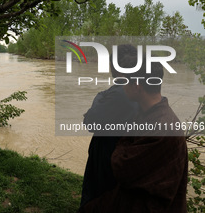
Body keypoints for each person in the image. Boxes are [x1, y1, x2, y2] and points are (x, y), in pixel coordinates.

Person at [80, 58, 188, 213]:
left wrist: (120, 146)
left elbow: (121, 167)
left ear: (137, 86)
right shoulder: (147, 114)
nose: (122, 86)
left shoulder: (162, 127)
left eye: (125, 81)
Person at [79, 44, 138, 209]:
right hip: (121, 155)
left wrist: (100, 96)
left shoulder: (118, 94)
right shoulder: (138, 90)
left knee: (97, 198)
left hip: (107, 156)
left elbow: (90, 121)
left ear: (115, 68)